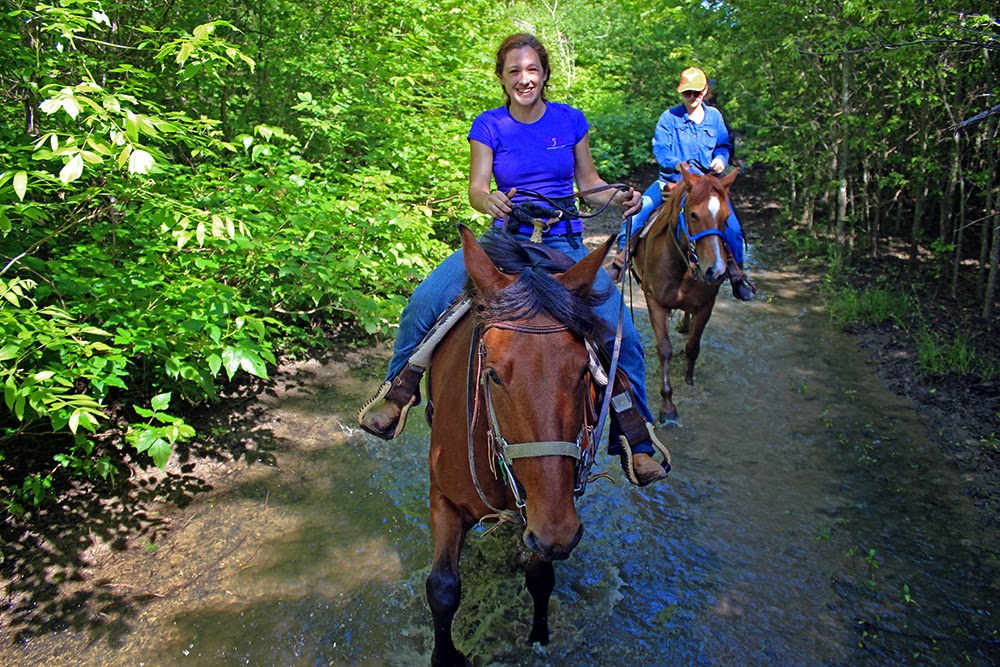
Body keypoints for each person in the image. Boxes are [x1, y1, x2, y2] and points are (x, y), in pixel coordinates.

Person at [357, 33, 669, 486]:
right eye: (514, 71)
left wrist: (620, 195)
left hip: (563, 243)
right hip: (505, 241)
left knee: (624, 334)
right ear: (502, 78)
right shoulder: (489, 125)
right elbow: (477, 187)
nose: (525, 79)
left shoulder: (570, 120)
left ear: (544, 74)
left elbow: (589, 181)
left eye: (532, 70)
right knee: (425, 302)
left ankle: (636, 441)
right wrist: (490, 202)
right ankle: (397, 393)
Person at [607, 67, 754, 301]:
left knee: (733, 228)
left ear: (704, 91)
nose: (692, 97)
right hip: (671, 182)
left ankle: (736, 274)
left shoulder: (714, 117)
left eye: (696, 92)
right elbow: (661, 148)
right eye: (687, 93)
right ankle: (621, 260)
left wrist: (720, 159)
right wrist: (677, 165)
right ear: (681, 93)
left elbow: (723, 145)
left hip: (707, 185)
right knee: (637, 215)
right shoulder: (669, 118)